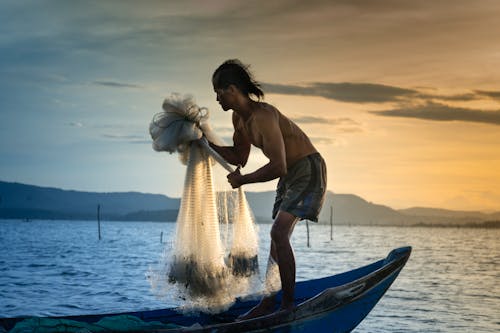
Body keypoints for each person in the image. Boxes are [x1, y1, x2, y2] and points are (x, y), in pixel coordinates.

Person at [207, 59, 327, 319]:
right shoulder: (238, 118)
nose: (216, 98)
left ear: (232, 90)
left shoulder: (264, 116)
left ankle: (288, 305)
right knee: (276, 238)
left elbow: (279, 166)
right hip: (290, 173)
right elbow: (240, 156)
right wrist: (207, 144)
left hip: (307, 168)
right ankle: (267, 303)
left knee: (279, 231)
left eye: (218, 92)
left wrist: (243, 180)